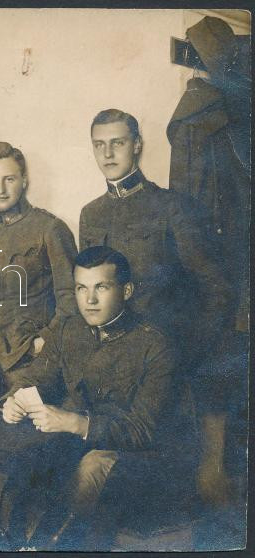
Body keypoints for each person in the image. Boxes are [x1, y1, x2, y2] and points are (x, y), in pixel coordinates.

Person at [79, 108, 233, 507]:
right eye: (99, 144)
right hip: (112, 371)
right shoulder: (91, 214)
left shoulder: (171, 208)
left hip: (163, 374)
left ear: (137, 146)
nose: (108, 154)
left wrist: (184, 351)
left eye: (117, 143)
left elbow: (216, 289)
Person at [2, 246, 192, 547]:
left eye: (101, 287)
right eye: (81, 288)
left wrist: (78, 424)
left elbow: (144, 430)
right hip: (76, 448)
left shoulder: (156, 345)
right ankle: (17, 544)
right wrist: (15, 399)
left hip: (143, 462)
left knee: (93, 466)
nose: (89, 300)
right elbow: (35, 379)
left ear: (126, 290)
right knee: (22, 456)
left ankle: (43, 548)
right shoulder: (68, 330)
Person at [0, 141, 77, 386]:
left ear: (24, 180)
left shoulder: (50, 228)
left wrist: (43, 343)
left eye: (9, 179)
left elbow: (71, 298)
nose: (1, 189)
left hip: (31, 360)